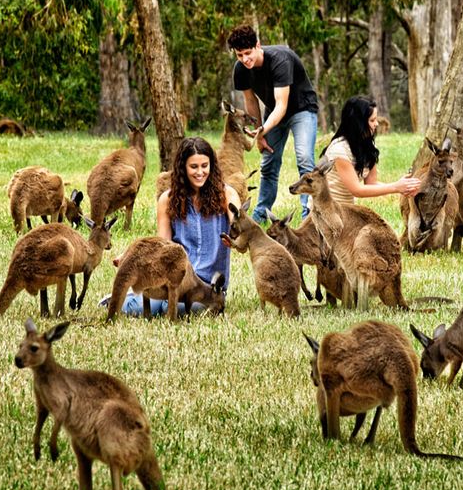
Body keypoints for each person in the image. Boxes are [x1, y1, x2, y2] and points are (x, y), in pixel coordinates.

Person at [103, 137, 241, 316]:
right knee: (146, 308)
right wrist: (129, 256)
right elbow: (162, 244)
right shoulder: (168, 200)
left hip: (208, 285)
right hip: (173, 278)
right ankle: (120, 299)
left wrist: (235, 234)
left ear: (212, 166)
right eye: (194, 167)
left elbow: (238, 223)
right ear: (183, 168)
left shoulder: (227, 194)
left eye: (204, 166)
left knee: (186, 308)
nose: (200, 172)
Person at [228, 25, 318, 223]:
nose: (245, 59)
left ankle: (309, 217)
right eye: (240, 55)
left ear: (258, 45)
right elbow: (251, 101)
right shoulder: (241, 69)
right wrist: (258, 133)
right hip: (274, 113)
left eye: (248, 53)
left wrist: (263, 130)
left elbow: (282, 105)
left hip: (302, 109)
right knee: (268, 162)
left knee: (304, 159)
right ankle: (260, 215)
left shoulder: (279, 60)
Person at [320, 96, 421, 203]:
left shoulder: (367, 144)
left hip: (346, 210)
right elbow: (357, 190)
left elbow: (372, 184)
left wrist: (402, 187)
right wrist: (395, 187)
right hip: (326, 211)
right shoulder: (339, 151)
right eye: (372, 120)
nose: (376, 124)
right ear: (358, 123)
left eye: (376, 119)